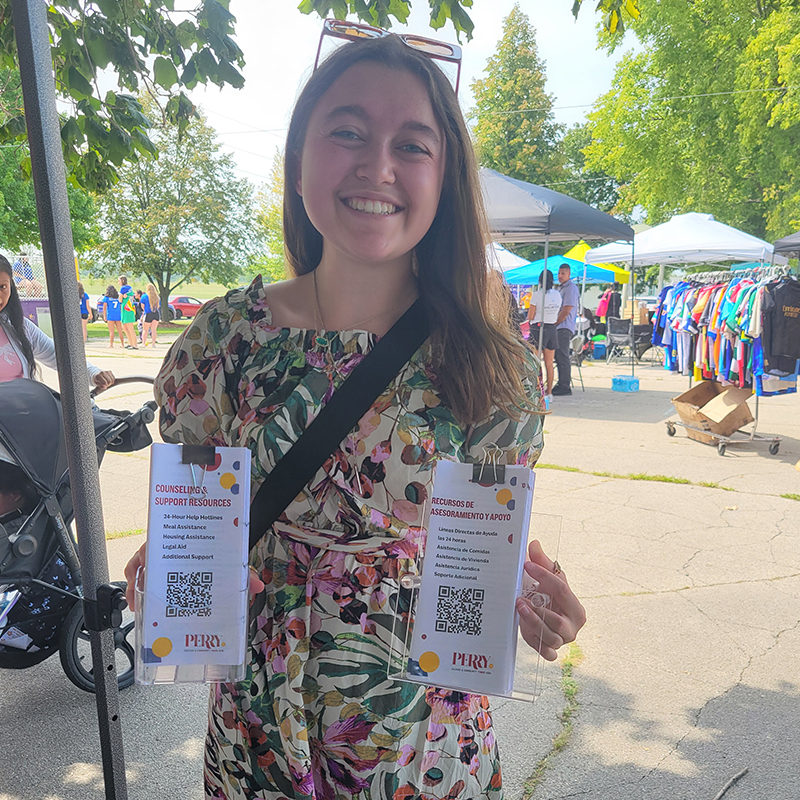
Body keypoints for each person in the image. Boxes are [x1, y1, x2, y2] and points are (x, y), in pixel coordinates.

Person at [125, 29, 585, 800]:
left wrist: (538, 605)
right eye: (347, 132)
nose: (377, 166)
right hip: (258, 730)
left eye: (413, 144)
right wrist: (170, 569)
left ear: (446, 179)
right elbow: (200, 528)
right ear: (300, 158)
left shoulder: (492, 366)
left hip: (420, 741)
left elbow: (482, 557)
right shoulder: (223, 342)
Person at [0, 255, 114, 388]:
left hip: (23, 408)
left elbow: (60, 357)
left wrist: (93, 373)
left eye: (3, 287)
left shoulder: (20, 327)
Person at [527, 269, 562, 398]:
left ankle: (537, 390)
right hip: (552, 327)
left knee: (535, 362)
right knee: (549, 364)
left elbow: (530, 316)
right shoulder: (557, 295)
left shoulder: (537, 295)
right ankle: (549, 392)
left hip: (538, 328)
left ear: (540, 280)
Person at [552, 264, 580, 396]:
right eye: (559, 273)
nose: (560, 276)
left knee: (562, 355)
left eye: (563, 273)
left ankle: (564, 385)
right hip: (559, 326)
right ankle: (561, 382)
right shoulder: (560, 288)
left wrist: (555, 322)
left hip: (563, 326)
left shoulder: (570, 288)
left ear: (569, 274)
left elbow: (566, 309)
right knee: (558, 355)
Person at [97, 285, 124, 349]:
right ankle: (122, 344)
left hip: (110, 315)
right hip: (118, 314)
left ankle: (111, 344)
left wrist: (104, 316)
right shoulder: (117, 297)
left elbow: (105, 308)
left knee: (111, 331)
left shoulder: (106, 298)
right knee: (120, 330)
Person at [118, 275, 138, 349]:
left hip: (127, 309)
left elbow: (120, 300)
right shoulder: (129, 288)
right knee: (125, 327)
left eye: (119, 281)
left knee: (129, 327)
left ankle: (134, 344)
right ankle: (131, 343)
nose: (118, 282)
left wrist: (122, 296)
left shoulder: (123, 288)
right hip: (127, 309)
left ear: (122, 281)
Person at [141, 283, 160, 347]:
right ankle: (153, 344)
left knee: (145, 330)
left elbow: (142, 306)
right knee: (154, 329)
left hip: (148, 313)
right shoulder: (157, 297)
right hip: (156, 313)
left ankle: (143, 343)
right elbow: (158, 306)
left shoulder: (144, 296)